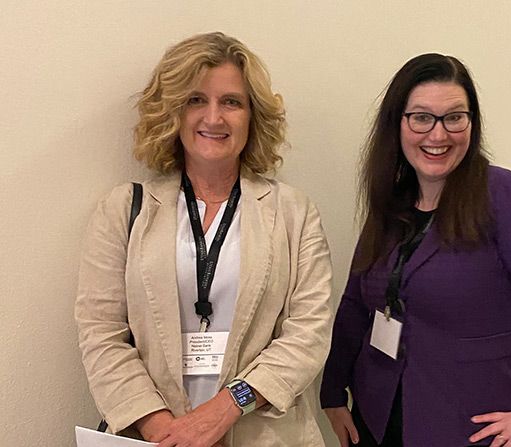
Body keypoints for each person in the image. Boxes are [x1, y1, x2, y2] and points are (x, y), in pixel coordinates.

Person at [75, 32, 333, 447]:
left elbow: (309, 333)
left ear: (252, 115)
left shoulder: (294, 212)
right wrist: (164, 430)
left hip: (265, 434)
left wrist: (222, 412)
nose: (214, 118)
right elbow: (101, 332)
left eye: (231, 102)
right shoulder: (124, 210)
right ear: (172, 111)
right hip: (155, 437)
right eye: (196, 99)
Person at [320, 53, 511, 447]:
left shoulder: (502, 194)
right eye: (421, 118)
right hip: (377, 414)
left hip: (468, 424)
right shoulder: (392, 199)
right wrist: (332, 392)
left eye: (454, 117)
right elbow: (357, 302)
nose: (438, 135)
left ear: (471, 123)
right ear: (398, 124)